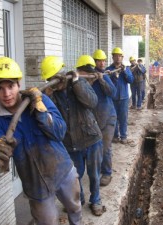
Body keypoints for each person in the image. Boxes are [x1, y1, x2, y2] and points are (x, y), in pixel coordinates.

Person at [0, 57, 82, 225]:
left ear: (18, 84)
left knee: (75, 208)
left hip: (62, 169)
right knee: (47, 222)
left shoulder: (39, 99)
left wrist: (41, 111)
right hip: (35, 183)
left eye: (10, 86)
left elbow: (60, 131)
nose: (6, 94)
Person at [41, 55, 105, 216]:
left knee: (94, 174)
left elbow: (92, 102)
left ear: (63, 74)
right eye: (50, 80)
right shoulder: (51, 95)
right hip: (71, 143)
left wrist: (76, 83)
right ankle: (79, 200)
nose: (55, 83)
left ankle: (96, 201)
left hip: (91, 138)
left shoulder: (79, 83)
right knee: (75, 176)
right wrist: (47, 97)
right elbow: (50, 120)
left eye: (56, 79)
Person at [89, 49, 117, 186]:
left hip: (109, 117)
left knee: (105, 147)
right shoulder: (88, 77)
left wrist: (102, 81)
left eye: (104, 60)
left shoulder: (104, 76)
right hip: (96, 118)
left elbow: (113, 92)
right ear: (94, 62)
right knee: (96, 147)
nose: (102, 63)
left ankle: (107, 173)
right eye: (100, 60)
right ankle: (99, 169)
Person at [106, 47, 134, 144]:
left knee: (123, 118)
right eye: (116, 56)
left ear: (122, 58)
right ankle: (115, 136)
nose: (118, 58)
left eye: (119, 56)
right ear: (112, 57)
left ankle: (123, 136)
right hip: (112, 98)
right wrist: (113, 76)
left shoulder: (126, 69)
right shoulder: (109, 70)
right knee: (113, 118)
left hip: (123, 98)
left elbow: (131, 80)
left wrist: (125, 72)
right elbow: (106, 83)